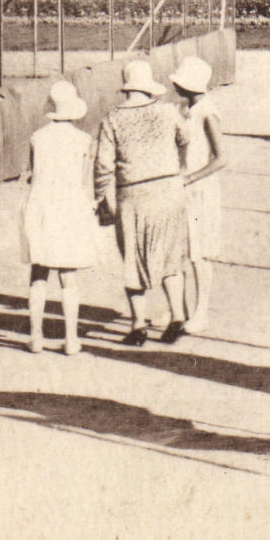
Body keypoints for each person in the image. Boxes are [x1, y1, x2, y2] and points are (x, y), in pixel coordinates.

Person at [95, 60, 191, 346]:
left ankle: (138, 326)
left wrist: (101, 197)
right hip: (168, 189)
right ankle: (177, 318)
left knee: (133, 259)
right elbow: (185, 137)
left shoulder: (112, 119)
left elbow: (103, 166)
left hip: (133, 194)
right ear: (149, 87)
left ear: (126, 88)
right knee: (171, 256)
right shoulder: (168, 111)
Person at [21, 80, 99, 356]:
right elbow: (85, 180)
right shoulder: (84, 140)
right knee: (68, 274)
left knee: (38, 271)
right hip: (69, 207)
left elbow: (31, 174)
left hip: (41, 205)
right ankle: (71, 339)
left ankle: (36, 337)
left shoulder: (37, 137)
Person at [172, 57, 224, 335]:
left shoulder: (208, 112)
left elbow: (221, 158)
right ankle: (179, 312)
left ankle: (201, 312)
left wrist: (190, 178)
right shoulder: (184, 109)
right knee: (179, 252)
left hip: (201, 191)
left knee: (200, 253)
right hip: (182, 189)